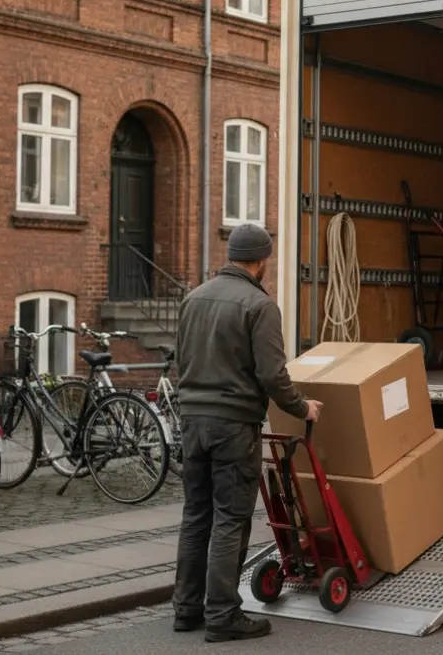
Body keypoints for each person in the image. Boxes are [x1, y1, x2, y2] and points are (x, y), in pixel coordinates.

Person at [171, 224, 322, 642]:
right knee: (230, 519)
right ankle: (222, 614)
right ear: (262, 261)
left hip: (192, 421)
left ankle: (187, 608)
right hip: (233, 425)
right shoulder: (259, 305)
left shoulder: (193, 299)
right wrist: (302, 407)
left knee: (195, 515)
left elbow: (180, 360)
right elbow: (272, 375)